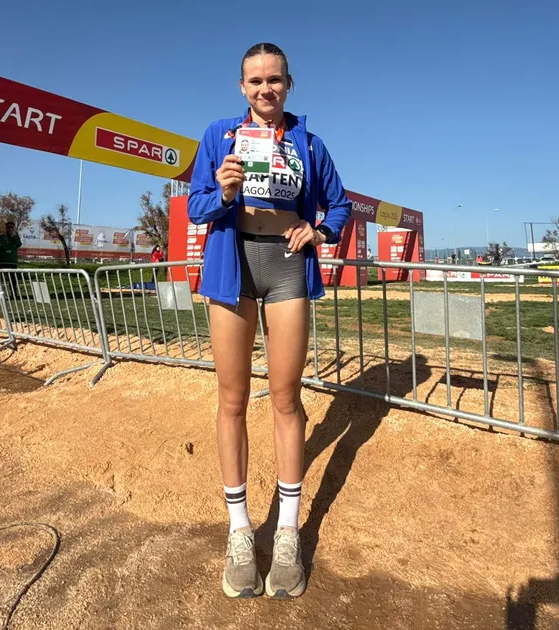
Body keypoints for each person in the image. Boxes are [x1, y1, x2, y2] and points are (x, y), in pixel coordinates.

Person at [187, 42, 352, 600]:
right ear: (242, 87)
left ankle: (286, 532)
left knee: (286, 397)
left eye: (274, 79)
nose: (265, 89)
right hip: (231, 263)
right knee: (232, 398)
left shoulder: (310, 143)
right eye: (255, 81)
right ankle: (239, 532)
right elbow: (197, 206)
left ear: (289, 84)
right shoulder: (219, 135)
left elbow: (339, 205)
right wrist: (223, 191)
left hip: (286, 267)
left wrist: (319, 231)